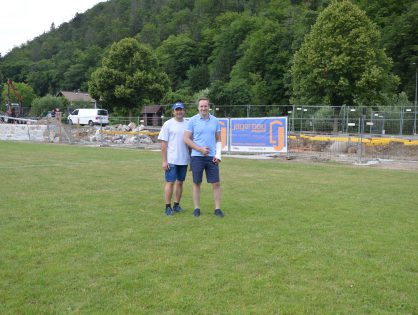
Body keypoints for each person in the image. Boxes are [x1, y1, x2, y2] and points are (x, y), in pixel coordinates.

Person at [184, 98, 224, 218]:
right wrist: (199, 149)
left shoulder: (215, 121)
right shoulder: (192, 120)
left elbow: (218, 139)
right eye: (201, 106)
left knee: (216, 183)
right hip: (197, 157)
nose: (203, 108)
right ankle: (196, 208)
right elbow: (186, 139)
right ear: (198, 108)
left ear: (209, 107)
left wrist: (218, 155)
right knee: (197, 182)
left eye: (205, 106)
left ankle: (217, 209)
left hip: (212, 157)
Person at [157, 102, 190, 216]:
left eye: (181, 109)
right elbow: (163, 144)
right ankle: (167, 207)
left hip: (184, 159)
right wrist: (164, 161)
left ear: (184, 111)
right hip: (171, 160)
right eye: (177, 110)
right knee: (170, 183)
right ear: (173, 111)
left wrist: (190, 160)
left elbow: (190, 143)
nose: (179, 112)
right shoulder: (168, 124)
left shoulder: (188, 124)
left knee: (180, 183)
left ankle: (176, 205)